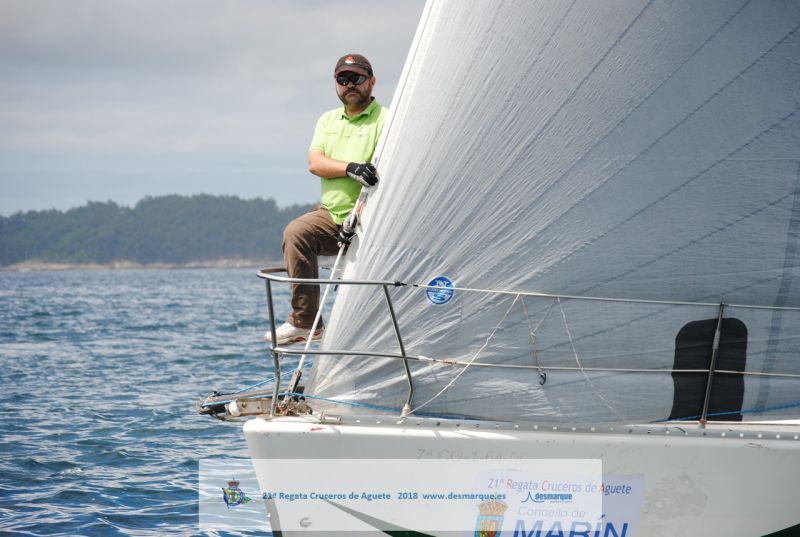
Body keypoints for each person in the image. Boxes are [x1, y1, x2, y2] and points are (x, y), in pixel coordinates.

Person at [265, 53, 388, 345]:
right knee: (297, 232)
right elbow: (315, 163)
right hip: (332, 216)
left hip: (373, 218)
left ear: (371, 81)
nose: (349, 85)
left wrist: (360, 201)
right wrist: (351, 168)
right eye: (342, 80)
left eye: (356, 78)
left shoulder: (388, 118)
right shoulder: (327, 120)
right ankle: (307, 323)